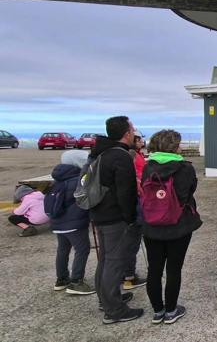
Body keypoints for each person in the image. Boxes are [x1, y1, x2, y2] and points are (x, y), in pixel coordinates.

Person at [142, 129, 202, 325]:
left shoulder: (148, 167)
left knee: (154, 269)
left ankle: (157, 310)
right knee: (174, 269)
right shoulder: (185, 168)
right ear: (174, 146)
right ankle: (171, 310)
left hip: (152, 224)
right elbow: (189, 191)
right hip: (178, 225)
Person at [90, 116, 143, 324]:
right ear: (126, 133)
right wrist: (130, 218)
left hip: (99, 213)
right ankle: (114, 310)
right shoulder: (120, 156)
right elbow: (126, 192)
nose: (133, 133)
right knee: (114, 262)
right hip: (115, 217)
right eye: (131, 129)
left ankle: (106, 299)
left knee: (104, 259)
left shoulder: (99, 152)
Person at [50, 150, 95, 295]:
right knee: (82, 249)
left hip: (58, 222)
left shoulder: (58, 178)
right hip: (74, 222)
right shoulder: (78, 179)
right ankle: (76, 282)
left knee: (63, 250)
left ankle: (61, 279)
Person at [123, 133, 148, 291]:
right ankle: (128, 277)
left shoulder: (138, 154)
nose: (141, 142)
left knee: (131, 244)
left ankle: (127, 275)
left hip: (138, 201)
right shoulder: (131, 156)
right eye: (138, 140)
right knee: (131, 244)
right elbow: (136, 174)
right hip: (135, 206)